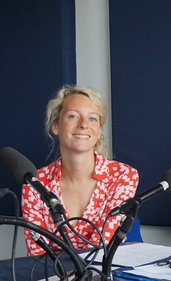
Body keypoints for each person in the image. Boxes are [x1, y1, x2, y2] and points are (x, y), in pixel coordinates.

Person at [21, 85, 139, 256]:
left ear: (99, 130)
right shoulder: (35, 182)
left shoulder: (123, 176)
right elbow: (36, 254)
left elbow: (103, 250)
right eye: (73, 116)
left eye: (92, 119)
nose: (84, 125)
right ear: (56, 125)